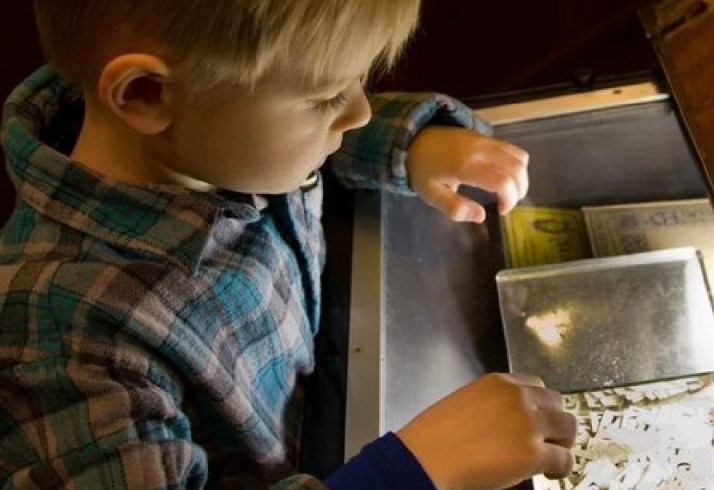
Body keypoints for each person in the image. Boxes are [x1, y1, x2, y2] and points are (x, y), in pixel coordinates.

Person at [0, 1, 577, 489]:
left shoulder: (202, 134)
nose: (359, 111)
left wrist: (411, 145)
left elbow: (267, 120)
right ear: (146, 94)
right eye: (326, 97)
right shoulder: (64, 348)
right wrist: (410, 471)